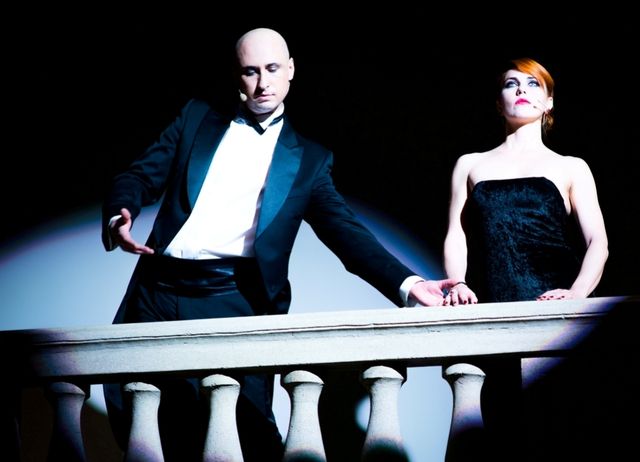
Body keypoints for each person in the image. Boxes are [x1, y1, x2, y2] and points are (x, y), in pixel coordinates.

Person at [102, 27, 455, 462]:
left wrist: (410, 284)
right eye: (251, 71)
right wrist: (121, 211)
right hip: (156, 293)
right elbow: (140, 174)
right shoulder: (195, 118)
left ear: (291, 70)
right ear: (237, 75)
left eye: (272, 69)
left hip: (235, 298)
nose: (263, 83)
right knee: (151, 427)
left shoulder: (309, 159)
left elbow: (346, 234)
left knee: (247, 433)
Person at [441, 57, 608, 461]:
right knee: (503, 427)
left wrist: (577, 294)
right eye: (511, 83)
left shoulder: (570, 167)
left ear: (549, 102)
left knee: (556, 422)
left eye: (533, 84)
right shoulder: (471, 164)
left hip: (554, 305)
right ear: (498, 103)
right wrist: (456, 282)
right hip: (496, 306)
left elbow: (598, 242)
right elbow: (456, 234)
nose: (521, 90)